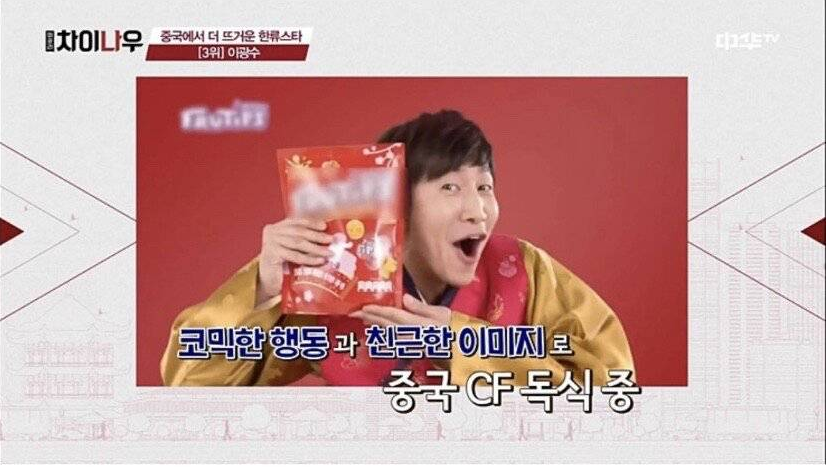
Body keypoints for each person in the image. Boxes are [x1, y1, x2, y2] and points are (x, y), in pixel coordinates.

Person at [161, 110, 635, 386]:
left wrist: (461, 342)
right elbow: (189, 383)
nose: (478, 211)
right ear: (395, 203)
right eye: (450, 188)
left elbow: (612, 381)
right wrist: (263, 285)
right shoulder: (327, 277)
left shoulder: (522, 270)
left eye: (485, 187)